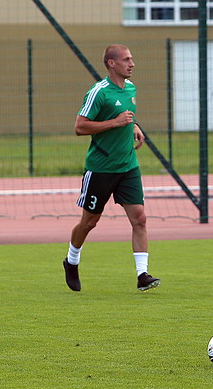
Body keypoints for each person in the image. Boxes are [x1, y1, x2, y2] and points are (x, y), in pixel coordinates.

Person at [62, 44, 160, 292]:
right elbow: (80, 127)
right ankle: (71, 260)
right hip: (101, 168)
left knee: (140, 218)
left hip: (128, 166)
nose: (132, 64)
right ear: (111, 63)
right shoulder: (99, 92)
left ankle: (142, 275)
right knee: (89, 222)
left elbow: (126, 116)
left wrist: (134, 127)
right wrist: (115, 122)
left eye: (132, 59)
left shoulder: (131, 88)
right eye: (126, 59)